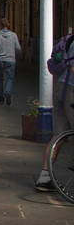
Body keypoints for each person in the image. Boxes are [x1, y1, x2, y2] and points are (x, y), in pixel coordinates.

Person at [36, 36, 74, 191]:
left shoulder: (71, 39)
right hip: (72, 91)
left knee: (58, 135)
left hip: (61, 88)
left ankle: (44, 177)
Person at [0, 18, 21, 106]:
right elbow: (18, 48)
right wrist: (16, 54)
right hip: (11, 59)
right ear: (8, 25)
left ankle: (1, 97)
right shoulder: (14, 35)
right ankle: (8, 92)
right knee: (10, 78)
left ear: (0, 25)